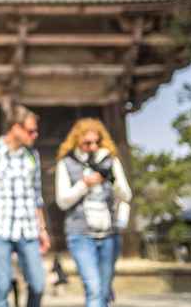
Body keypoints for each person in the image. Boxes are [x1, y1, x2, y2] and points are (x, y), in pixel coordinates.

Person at [0, 105, 50, 307]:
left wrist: (43, 229)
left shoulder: (32, 157)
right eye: (31, 130)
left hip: (28, 230)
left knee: (38, 284)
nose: (35, 135)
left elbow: (36, 196)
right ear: (15, 128)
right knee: (1, 287)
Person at [55, 118, 132, 307]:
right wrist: (84, 184)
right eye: (87, 143)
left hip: (109, 234)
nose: (92, 147)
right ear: (77, 142)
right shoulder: (67, 163)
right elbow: (62, 201)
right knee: (94, 288)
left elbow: (127, 195)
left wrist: (112, 178)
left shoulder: (109, 161)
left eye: (96, 142)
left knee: (104, 290)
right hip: (81, 234)